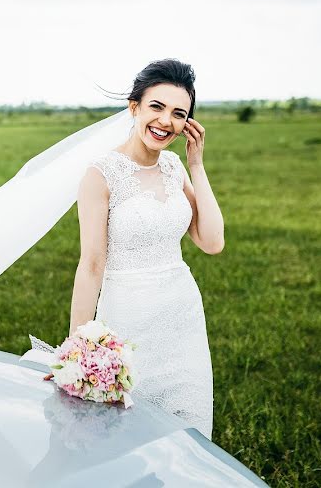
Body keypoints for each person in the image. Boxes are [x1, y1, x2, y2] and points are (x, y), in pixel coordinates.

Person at [69, 59, 225, 439]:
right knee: (124, 439)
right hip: (128, 322)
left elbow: (212, 241)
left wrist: (197, 165)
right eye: (157, 106)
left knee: (189, 435)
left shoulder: (174, 168)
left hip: (182, 321)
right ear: (134, 106)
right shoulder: (101, 175)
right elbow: (90, 265)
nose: (166, 121)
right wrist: (79, 347)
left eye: (179, 113)